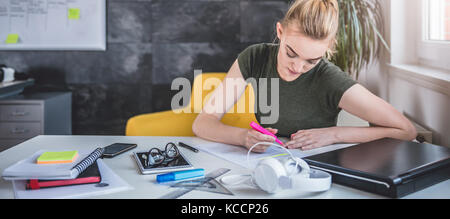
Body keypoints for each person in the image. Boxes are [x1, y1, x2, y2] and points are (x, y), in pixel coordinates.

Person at [192, 0, 416, 153]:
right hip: (264, 167)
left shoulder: (330, 79)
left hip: (318, 173)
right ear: (280, 32)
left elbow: (406, 130)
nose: (297, 67)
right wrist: (243, 137)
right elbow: (203, 123)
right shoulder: (255, 57)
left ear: (328, 49)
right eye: (291, 53)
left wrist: (333, 135)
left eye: (312, 61)